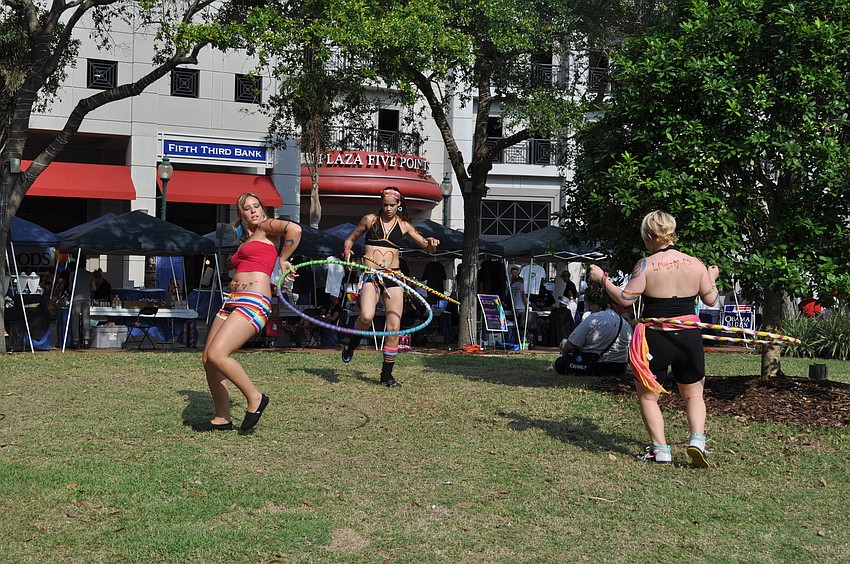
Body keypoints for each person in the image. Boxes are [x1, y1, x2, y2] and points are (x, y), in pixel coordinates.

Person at [589, 210, 719, 467]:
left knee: (649, 397)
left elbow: (626, 299)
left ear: (649, 236)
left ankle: (661, 450)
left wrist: (603, 279)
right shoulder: (695, 263)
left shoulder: (646, 264)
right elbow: (711, 299)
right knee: (694, 395)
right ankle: (697, 441)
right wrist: (712, 278)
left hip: (656, 339)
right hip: (688, 339)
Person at [193, 192, 302, 432]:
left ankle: (255, 397)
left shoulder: (265, 227)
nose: (253, 211)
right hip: (230, 301)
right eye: (247, 208)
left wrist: (284, 258)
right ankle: (222, 418)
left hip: (252, 302)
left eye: (256, 206)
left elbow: (295, 229)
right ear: (240, 214)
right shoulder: (248, 239)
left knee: (219, 354)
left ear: (263, 210)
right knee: (208, 360)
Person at [341, 187, 440, 387]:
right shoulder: (369, 220)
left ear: (399, 205)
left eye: (392, 205)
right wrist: (347, 250)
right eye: (385, 205)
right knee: (366, 316)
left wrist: (431, 243)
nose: (388, 208)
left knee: (394, 327)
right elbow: (350, 239)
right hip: (370, 275)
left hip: (393, 277)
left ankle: (387, 375)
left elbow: (425, 246)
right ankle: (351, 344)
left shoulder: (403, 225)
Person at [549, 284, 631, 376]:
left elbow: (571, 344)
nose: (590, 308)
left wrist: (564, 352)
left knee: (559, 362)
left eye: (591, 304)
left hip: (596, 366)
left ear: (597, 304)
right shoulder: (625, 324)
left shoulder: (593, 319)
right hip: (620, 368)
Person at [69, 263, 94, 349]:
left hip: (76, 298)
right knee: (86, 319)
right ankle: (86, 340)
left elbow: (70, 288)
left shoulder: (73, 274)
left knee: (75, 319)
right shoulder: (90, 274)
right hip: (87, 298)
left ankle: (75, 341)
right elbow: (94, 288)